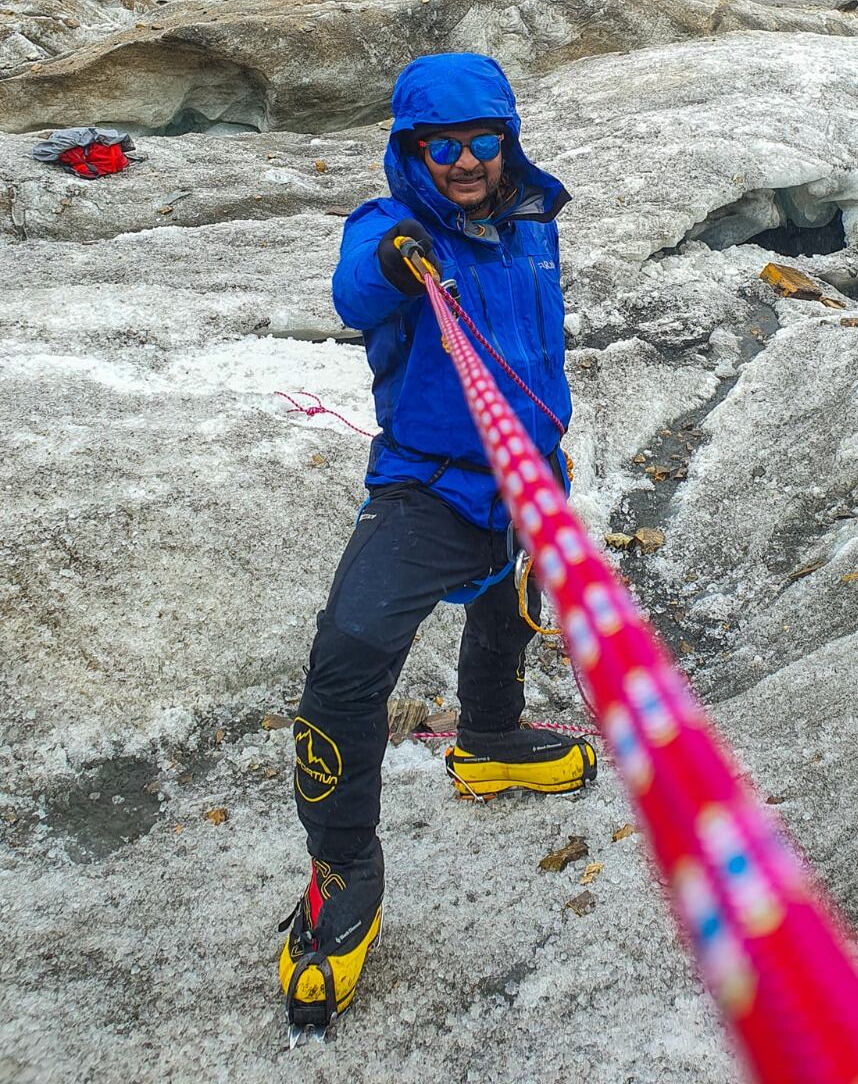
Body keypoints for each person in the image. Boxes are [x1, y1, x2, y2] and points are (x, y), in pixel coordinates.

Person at [279, 52, 596, 1034]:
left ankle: (490, 737)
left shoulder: (531, 224)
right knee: (351, 653)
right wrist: (395, 262)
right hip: (425, 487)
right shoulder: (395, 229)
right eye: (443, 145)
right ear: (412, 150)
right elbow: (354, 291)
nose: (465, 161)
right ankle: (343, 873)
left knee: (513, 605)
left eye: (482, 140)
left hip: (525, 474)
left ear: (507, 140)